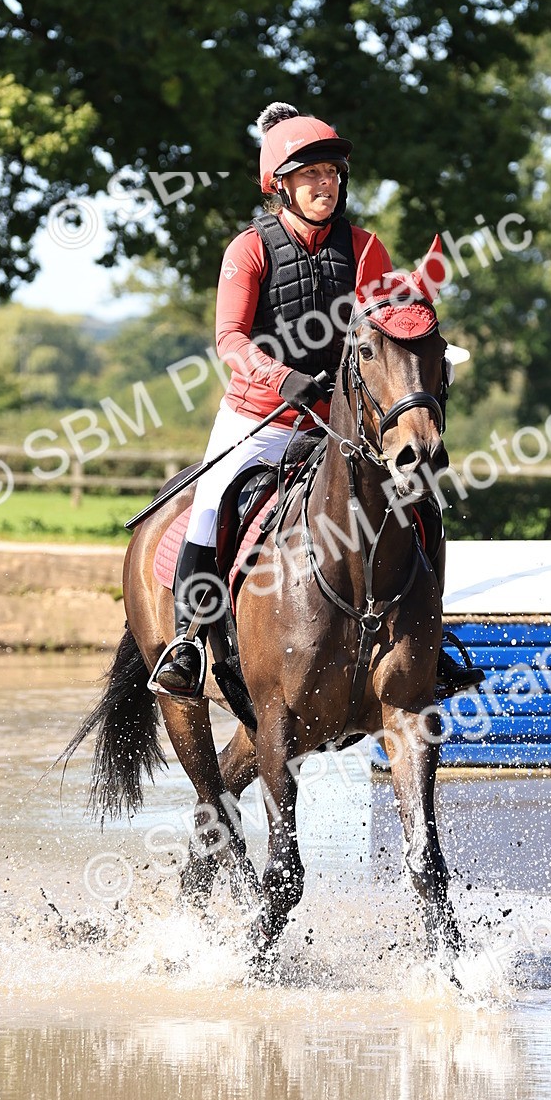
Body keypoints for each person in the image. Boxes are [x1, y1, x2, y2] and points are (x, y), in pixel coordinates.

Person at [153, 102, 483, 700]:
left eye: (331, 174)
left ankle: (428, 644)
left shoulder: (365, 248)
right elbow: (229, 338)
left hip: (344, 420)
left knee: (421, 501)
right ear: (281, 184)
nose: (324, 185)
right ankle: (187, 642)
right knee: (209, 509)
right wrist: (284, 380)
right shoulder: (249, 249)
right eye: (310, 176)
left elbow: (386, 326)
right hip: (261, 417)